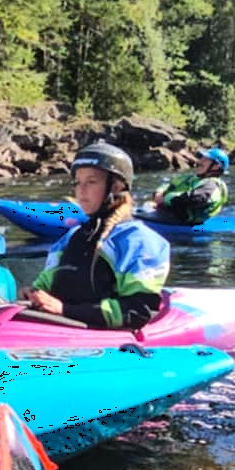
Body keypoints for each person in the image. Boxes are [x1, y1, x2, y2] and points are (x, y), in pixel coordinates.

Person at [19, 141, 170, 329]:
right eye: (78, 183)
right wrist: (33, 293)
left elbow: (138, 311)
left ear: (116, 186)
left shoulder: (138, 241)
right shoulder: (72, 237)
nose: (81, 191)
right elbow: (44, 284)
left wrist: (65, 310)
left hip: (105, 339)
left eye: (91, 182)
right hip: (64, 327)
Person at [148, 148, 230, 225]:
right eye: (201, 158)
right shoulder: (193, 179)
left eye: (205, 160)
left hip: (183, 223)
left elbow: (195, 199)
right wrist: (158, 194)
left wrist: (165, 199)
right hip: (167, 215)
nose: (199, 161)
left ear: (216, 166)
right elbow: (168, 186)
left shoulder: (211, 185)